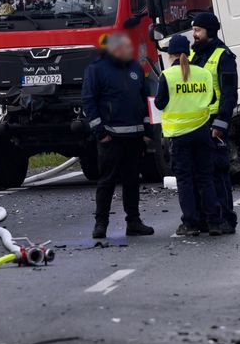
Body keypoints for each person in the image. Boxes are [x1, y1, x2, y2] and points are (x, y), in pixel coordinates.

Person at [81, 32, 155, 239]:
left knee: (132, 181)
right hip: (111, 138)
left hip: (135, 137)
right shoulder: (96, 70)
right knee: (107, 181)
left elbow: (145, 100)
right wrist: (100, 132)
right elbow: (88, 102)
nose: (130, 51)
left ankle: (134, 222)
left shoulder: (135, 69)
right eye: (125, 47)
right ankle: (101, 224)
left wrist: (147, 131)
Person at [155, 36, 228, 236]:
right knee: (206, 177)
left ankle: (191, 223)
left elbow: (160, 103)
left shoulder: (168, 75)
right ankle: (214, 222)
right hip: (203, 132)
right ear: (188, 51)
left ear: (171, 54)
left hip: (179, 136)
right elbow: (212, 97)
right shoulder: (203, 74)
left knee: (185, 180)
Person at [189, 12, 238, 232]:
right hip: (195, 123)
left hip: (213, 122)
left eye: (198, 30)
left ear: (209, 31)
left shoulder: (223, 56)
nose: (194, 34)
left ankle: (227, 218)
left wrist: (221, 124)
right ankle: (208, 218)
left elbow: (229, 94)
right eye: (193, 30)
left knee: (217, 172)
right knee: (199, 174)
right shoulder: (193, 56)